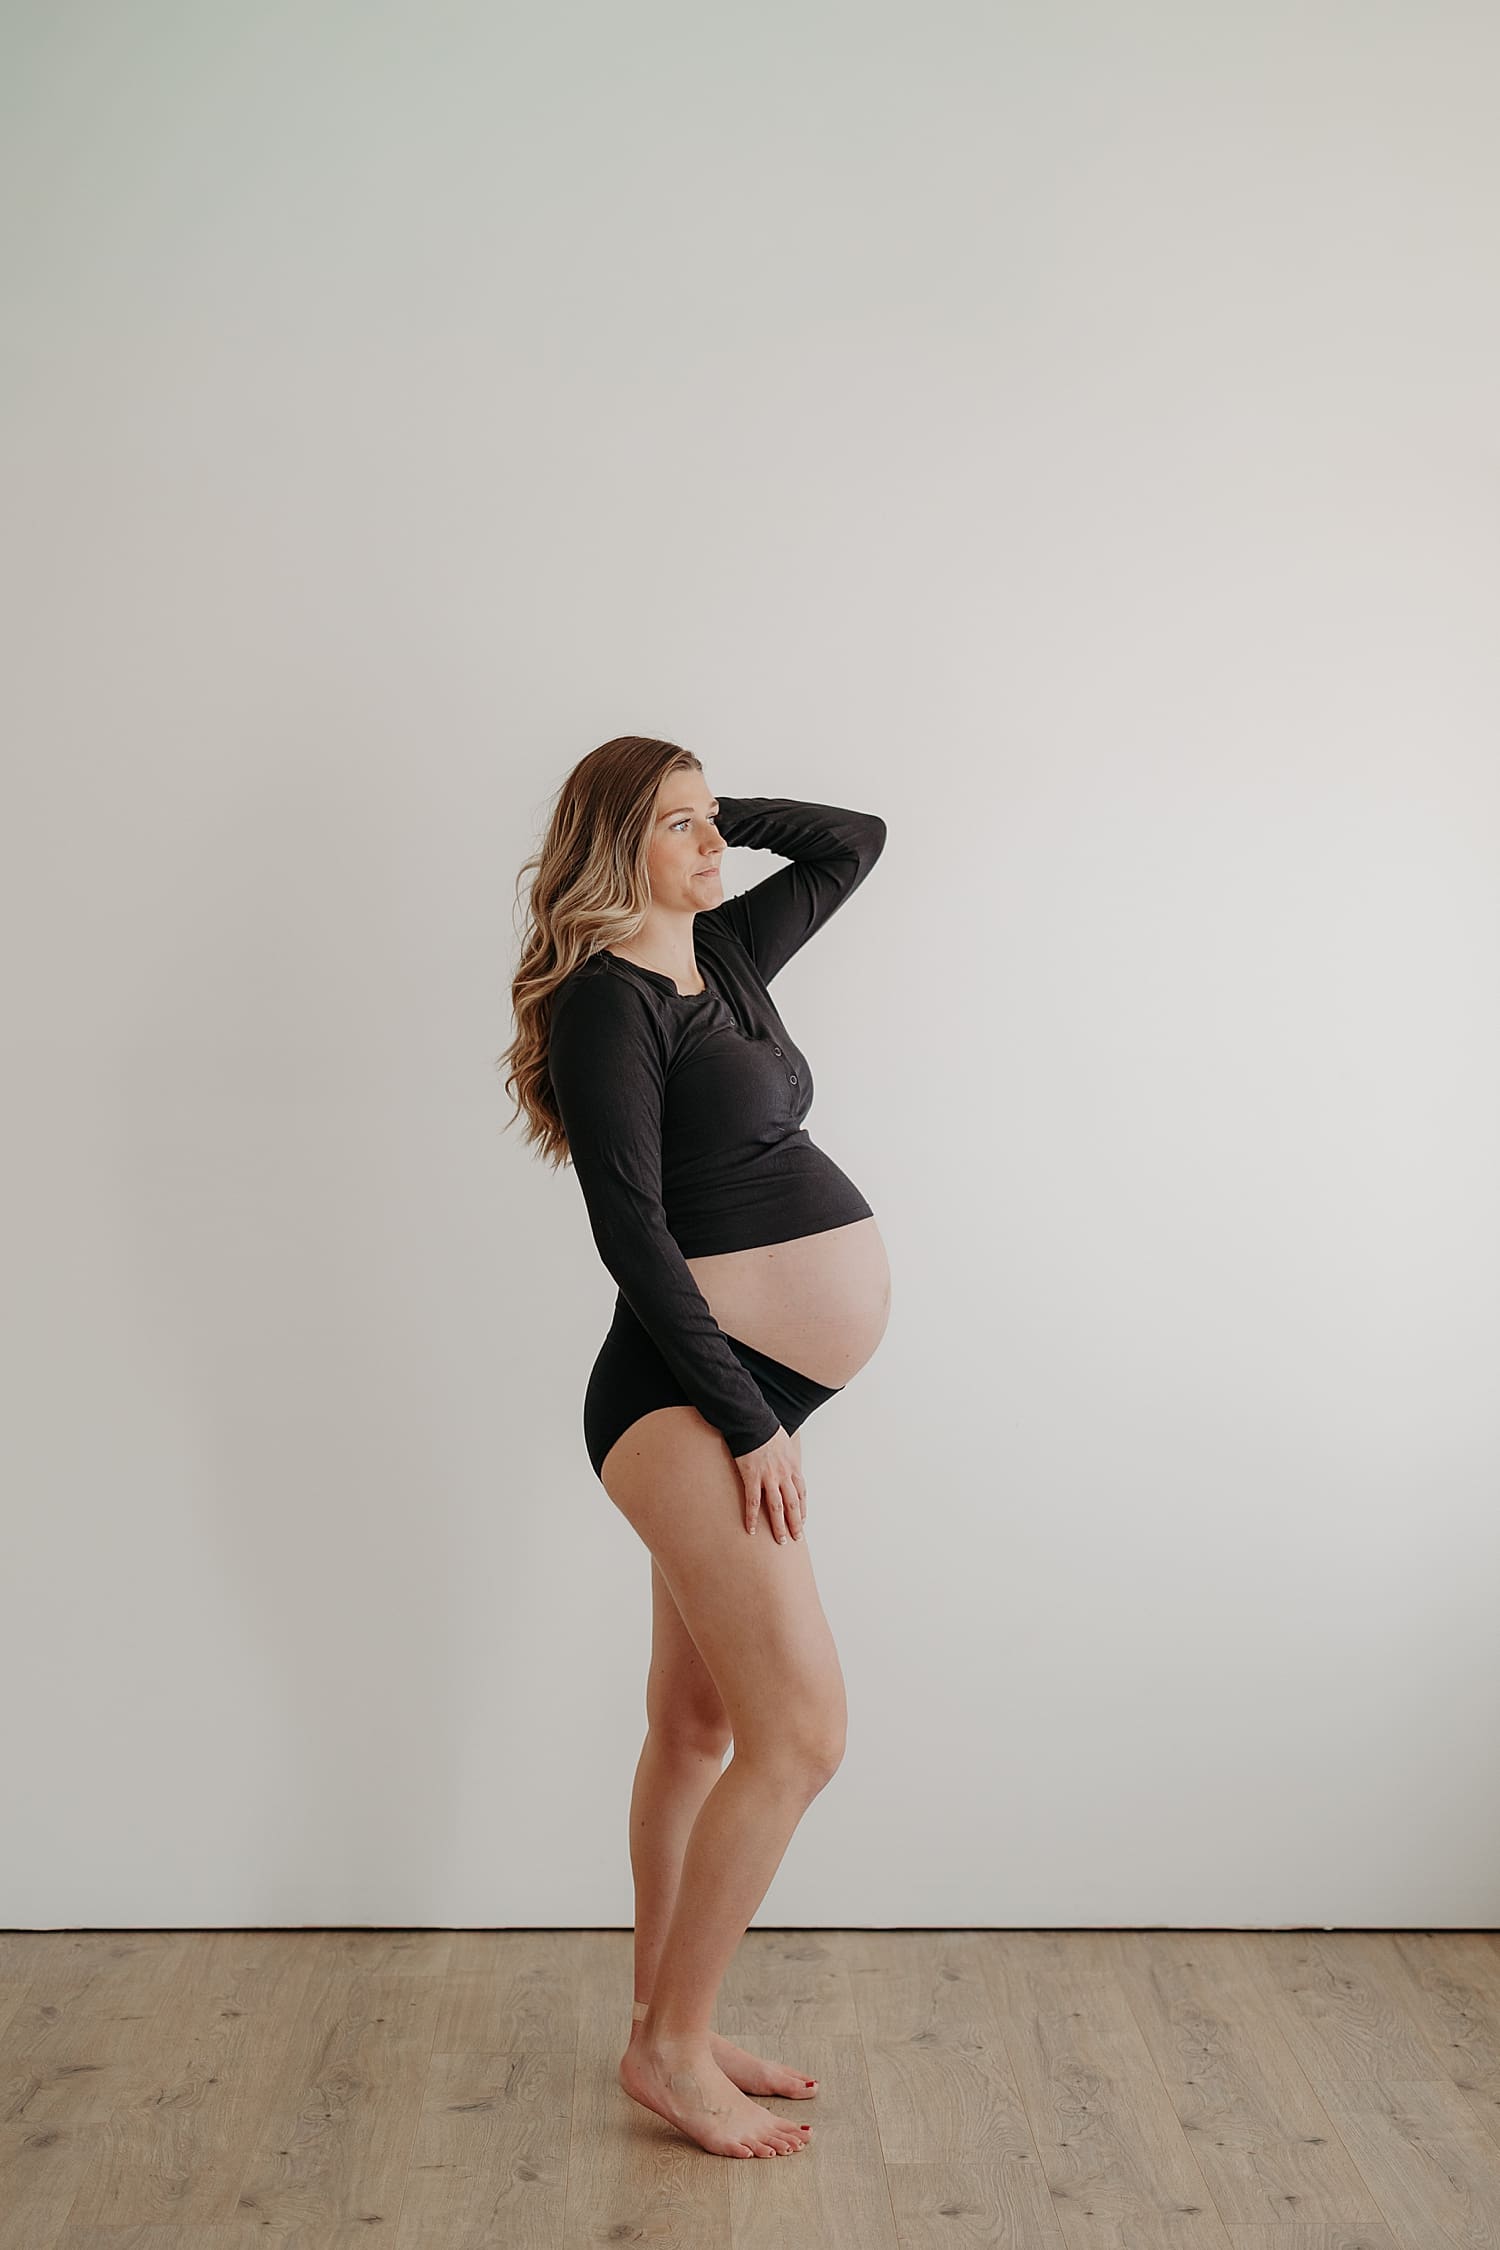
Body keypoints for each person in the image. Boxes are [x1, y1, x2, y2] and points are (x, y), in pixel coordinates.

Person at [501, 734, 891, 2159]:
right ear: (615, 847)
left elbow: (854, 837)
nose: (711, 844)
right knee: (801, 1730)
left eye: (710, 818)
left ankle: (670, 2011)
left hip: (738, 1391)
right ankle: (670, 2047)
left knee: (697, 1726)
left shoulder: (719, 955)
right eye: (675, 825)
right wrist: (744, 1416)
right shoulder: (609, 1002)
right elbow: (630, 1231)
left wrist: (719, 804)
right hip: (683, 1395)